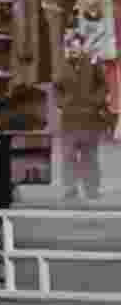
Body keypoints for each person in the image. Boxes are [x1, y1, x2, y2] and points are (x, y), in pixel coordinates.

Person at [56, 26, 110, 201]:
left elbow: (103, 86)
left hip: (89, 118)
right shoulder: (63, 66)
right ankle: (70, 189)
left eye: (76, 46)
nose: (73, 49)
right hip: (70, 120)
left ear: (82, 47)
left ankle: (92, 189)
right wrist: (62, 103)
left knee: (90, 156)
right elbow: (57, 88)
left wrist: (96, 102)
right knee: (68, 156)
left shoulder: (93, 63)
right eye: (70, 46)